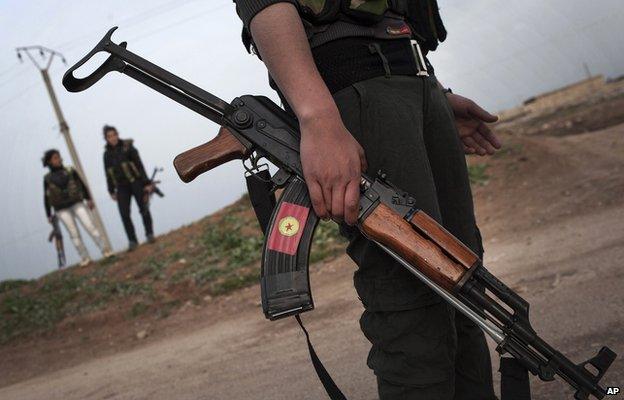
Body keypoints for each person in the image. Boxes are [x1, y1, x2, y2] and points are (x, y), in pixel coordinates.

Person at [232, 1, 502, 399]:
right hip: (353, 89)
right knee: (413, 300)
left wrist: (429, 89)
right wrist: (318, 118)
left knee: (464, 285)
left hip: (413, 78)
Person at [43, 149, 112, 266]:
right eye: (55, 158)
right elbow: (46, 196)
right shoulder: (47, 178)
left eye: (58, 157)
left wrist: (88, 199)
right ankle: (85, 257)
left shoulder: (70, 170)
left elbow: (82, 185)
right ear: (49, 161)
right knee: (73, 233)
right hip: (61, 209)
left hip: (77, 203)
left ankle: (105, 250)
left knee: (90, 226)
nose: (58, 159)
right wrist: (48, 214)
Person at [102, 125, 155, 250]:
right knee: (124, 214)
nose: (112, 138)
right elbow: (107, 173)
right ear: (106, 138)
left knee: (144, 208)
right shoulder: (106, 155)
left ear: (117, 134)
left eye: (114, 135)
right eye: (109, 136)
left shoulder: (128, 147)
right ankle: (132, 240)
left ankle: (149, 234)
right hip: (121, 187)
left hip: (136, 182)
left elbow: (139, 164)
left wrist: (146, 183)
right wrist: (111, 190)